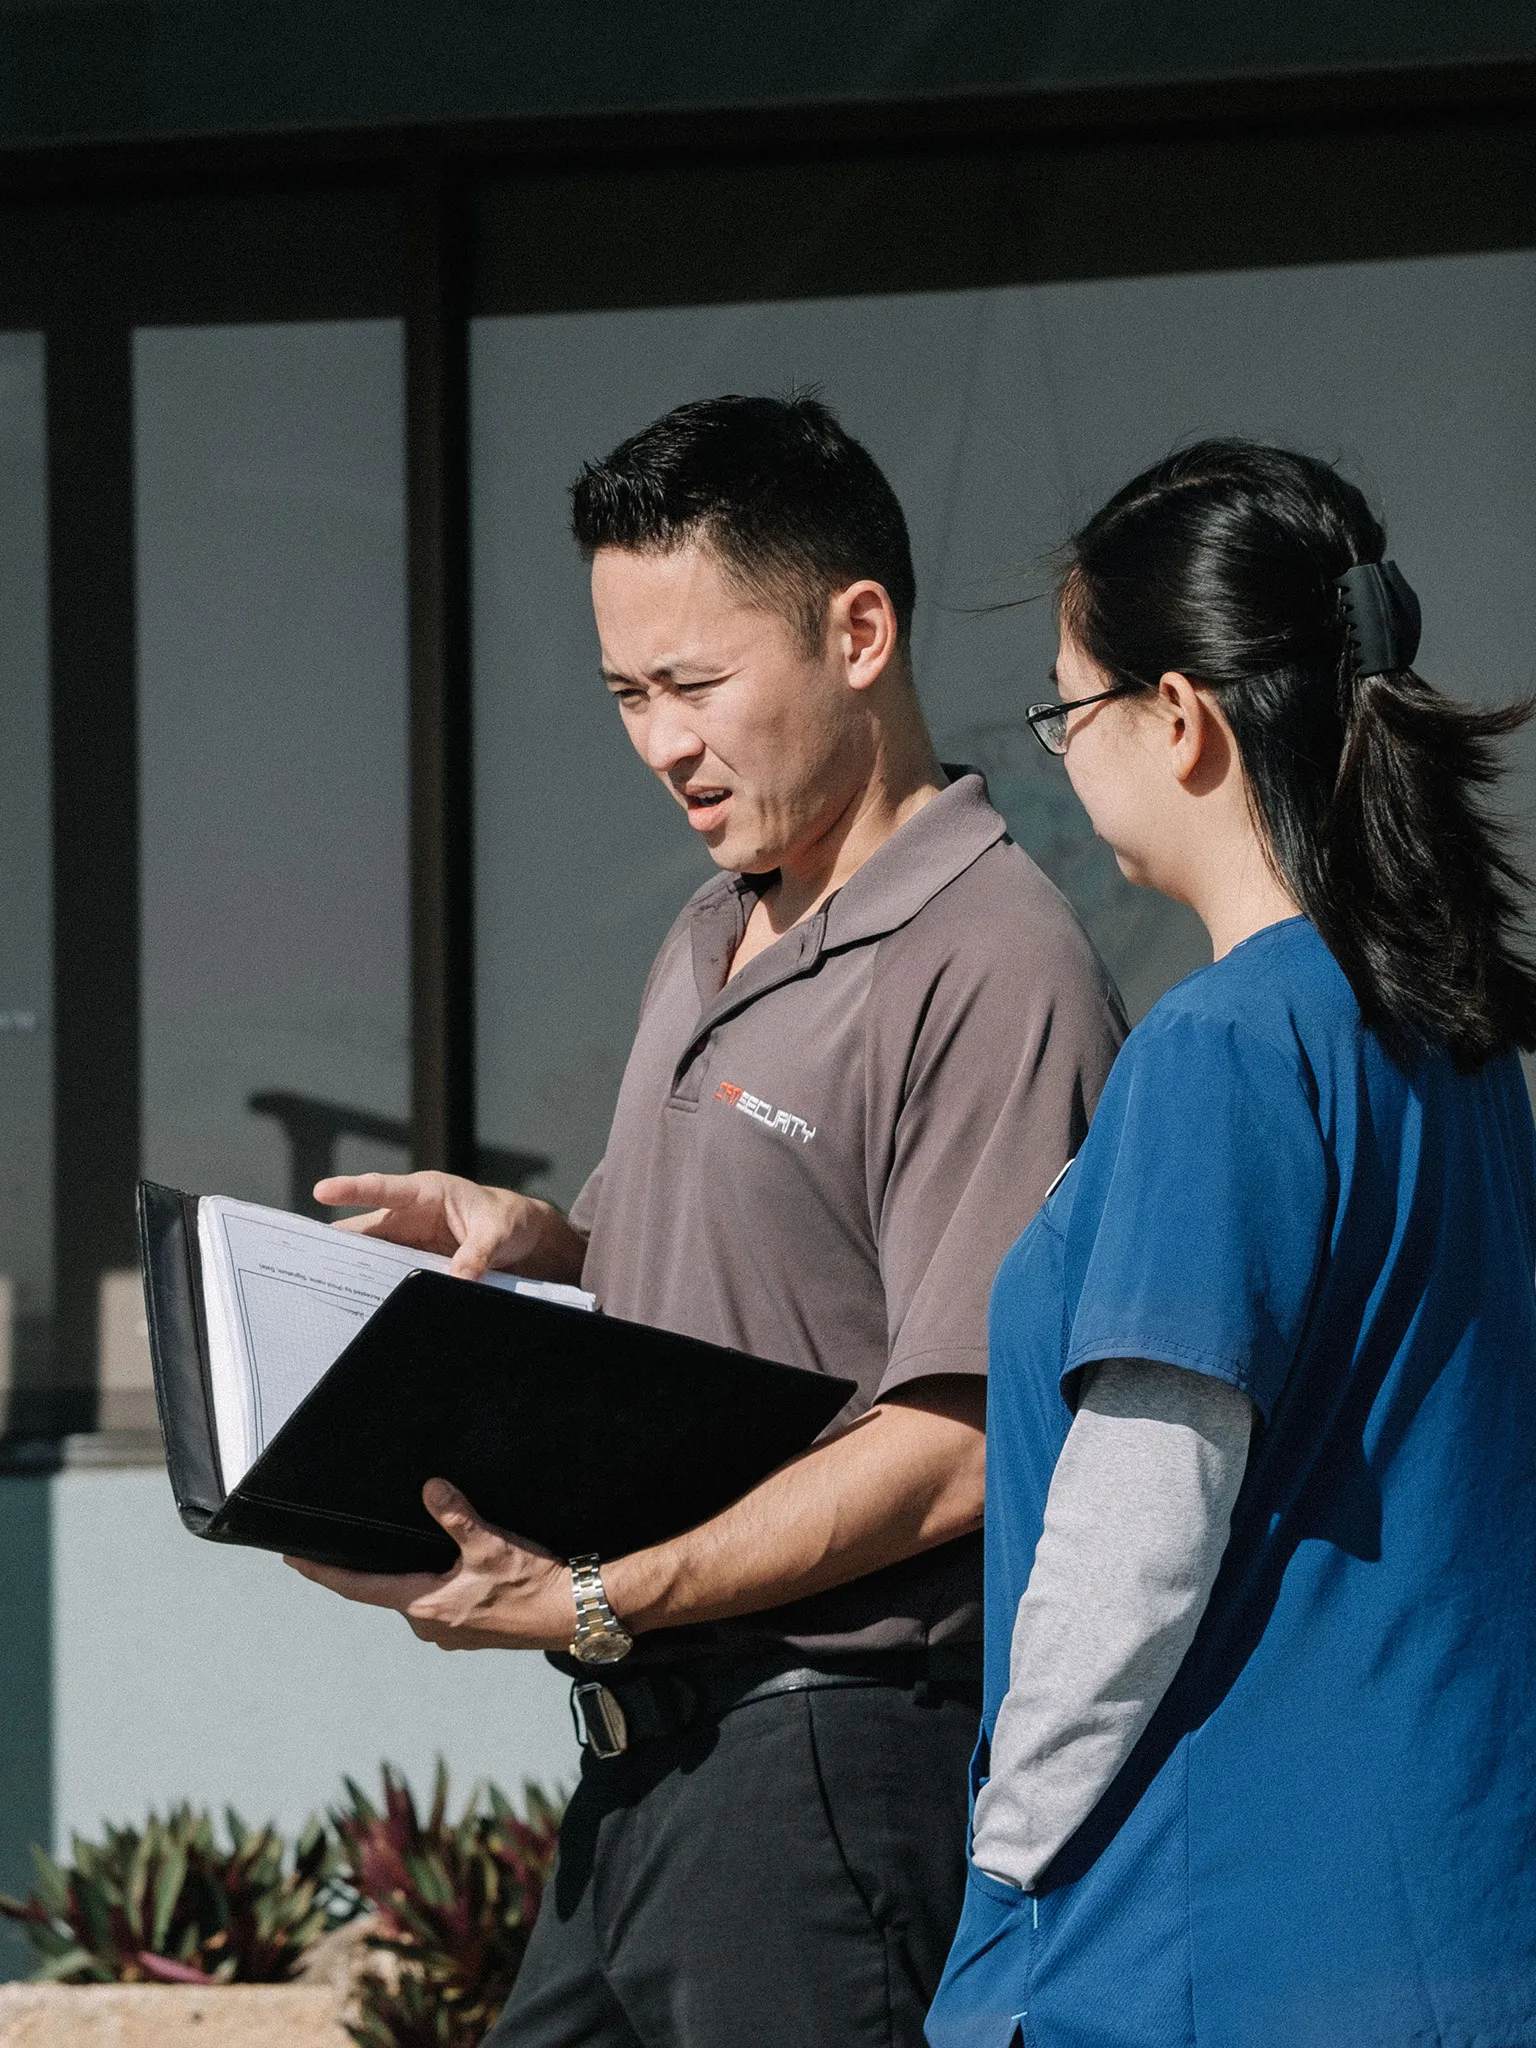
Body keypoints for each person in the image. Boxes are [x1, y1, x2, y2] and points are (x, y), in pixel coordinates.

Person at [287, 393, 1125, 2048]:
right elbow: (733, 1286)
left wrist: (605, 1596)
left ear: (859, 634)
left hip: (828, 1765)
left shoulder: (993, 963)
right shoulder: (710, 930)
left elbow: (958, 1441)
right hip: (644, 1773)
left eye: (694, 683)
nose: (661, 743)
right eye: (626, 694)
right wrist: (539, 1238)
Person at [927, 438, 1536, 2048]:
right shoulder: (1453, 1042)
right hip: (1447, 1917)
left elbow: (1139, 1531)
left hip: (1216, 1941)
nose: (1062, 752)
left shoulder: (1221, 1050)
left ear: (1181, 718)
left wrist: (1002, 1869)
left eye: (1068, 709)